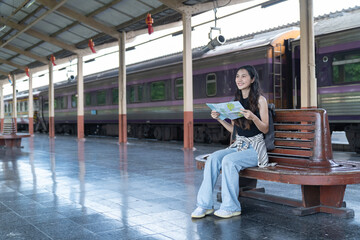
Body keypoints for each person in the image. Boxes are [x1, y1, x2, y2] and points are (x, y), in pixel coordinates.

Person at [191, 65, 269, 219]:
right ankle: (204, 205)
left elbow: (265, 129)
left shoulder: (261, 100)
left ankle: (231, 207)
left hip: (255, 149)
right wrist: (220, 118)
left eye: (244, 76)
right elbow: (233, 131)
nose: (239, 79)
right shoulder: (236, 102)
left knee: (229, 161)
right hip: (239, 146)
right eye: (237, 76)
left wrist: (253, 117)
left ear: (252, 79)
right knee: (213, 158)